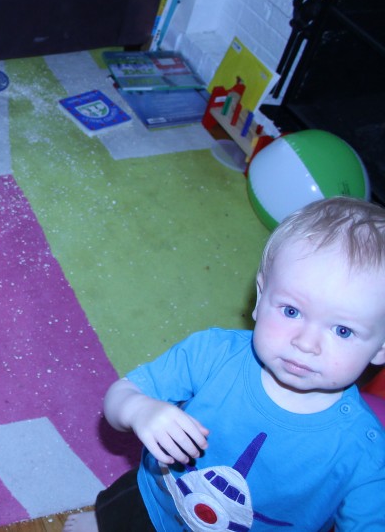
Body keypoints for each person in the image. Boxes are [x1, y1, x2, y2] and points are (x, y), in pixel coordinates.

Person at [66, 196, 385, 531]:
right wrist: (138, 409)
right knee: (120, 514)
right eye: (291, 311)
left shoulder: (365, 454)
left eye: (343, 330)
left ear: (380, 347)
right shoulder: (214, 352)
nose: (305, 343)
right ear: (261, 298)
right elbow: (120, 394)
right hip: (156, 500)